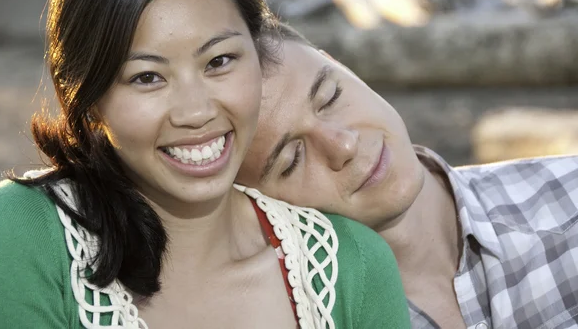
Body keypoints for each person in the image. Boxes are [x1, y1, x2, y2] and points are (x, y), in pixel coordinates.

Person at [0, 0, 411, 328]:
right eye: (147, 77)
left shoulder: (353, 268)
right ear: (88, 102)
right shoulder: (14, 237)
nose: (196, 112)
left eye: (218, 61)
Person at [237, 22, 578, 329]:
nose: (343, 144)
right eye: (292, 159)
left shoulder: (569, 197)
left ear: (347, 69)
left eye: (331, 97)